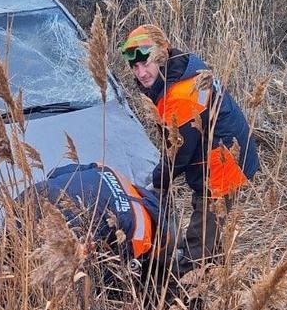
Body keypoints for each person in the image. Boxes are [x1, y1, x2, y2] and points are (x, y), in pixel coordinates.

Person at [118, 24, 259, 273]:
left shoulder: (180, 93)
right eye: (135, 67)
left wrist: (158, 182)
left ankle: (191, 289)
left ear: (162, 55)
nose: (141, 73)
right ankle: (214, 268)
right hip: (217, 154)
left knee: (202, 234)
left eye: (146, 63)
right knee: (209, 224)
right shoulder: (179, 69)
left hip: (226, 162)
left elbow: (178, 152)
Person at [16, 162, 176, 270]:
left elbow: (55, 172)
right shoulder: (141, 233)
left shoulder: (112, 172)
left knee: (11, 252)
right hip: (63, 231)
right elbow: (106, 272)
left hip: (30, 196)